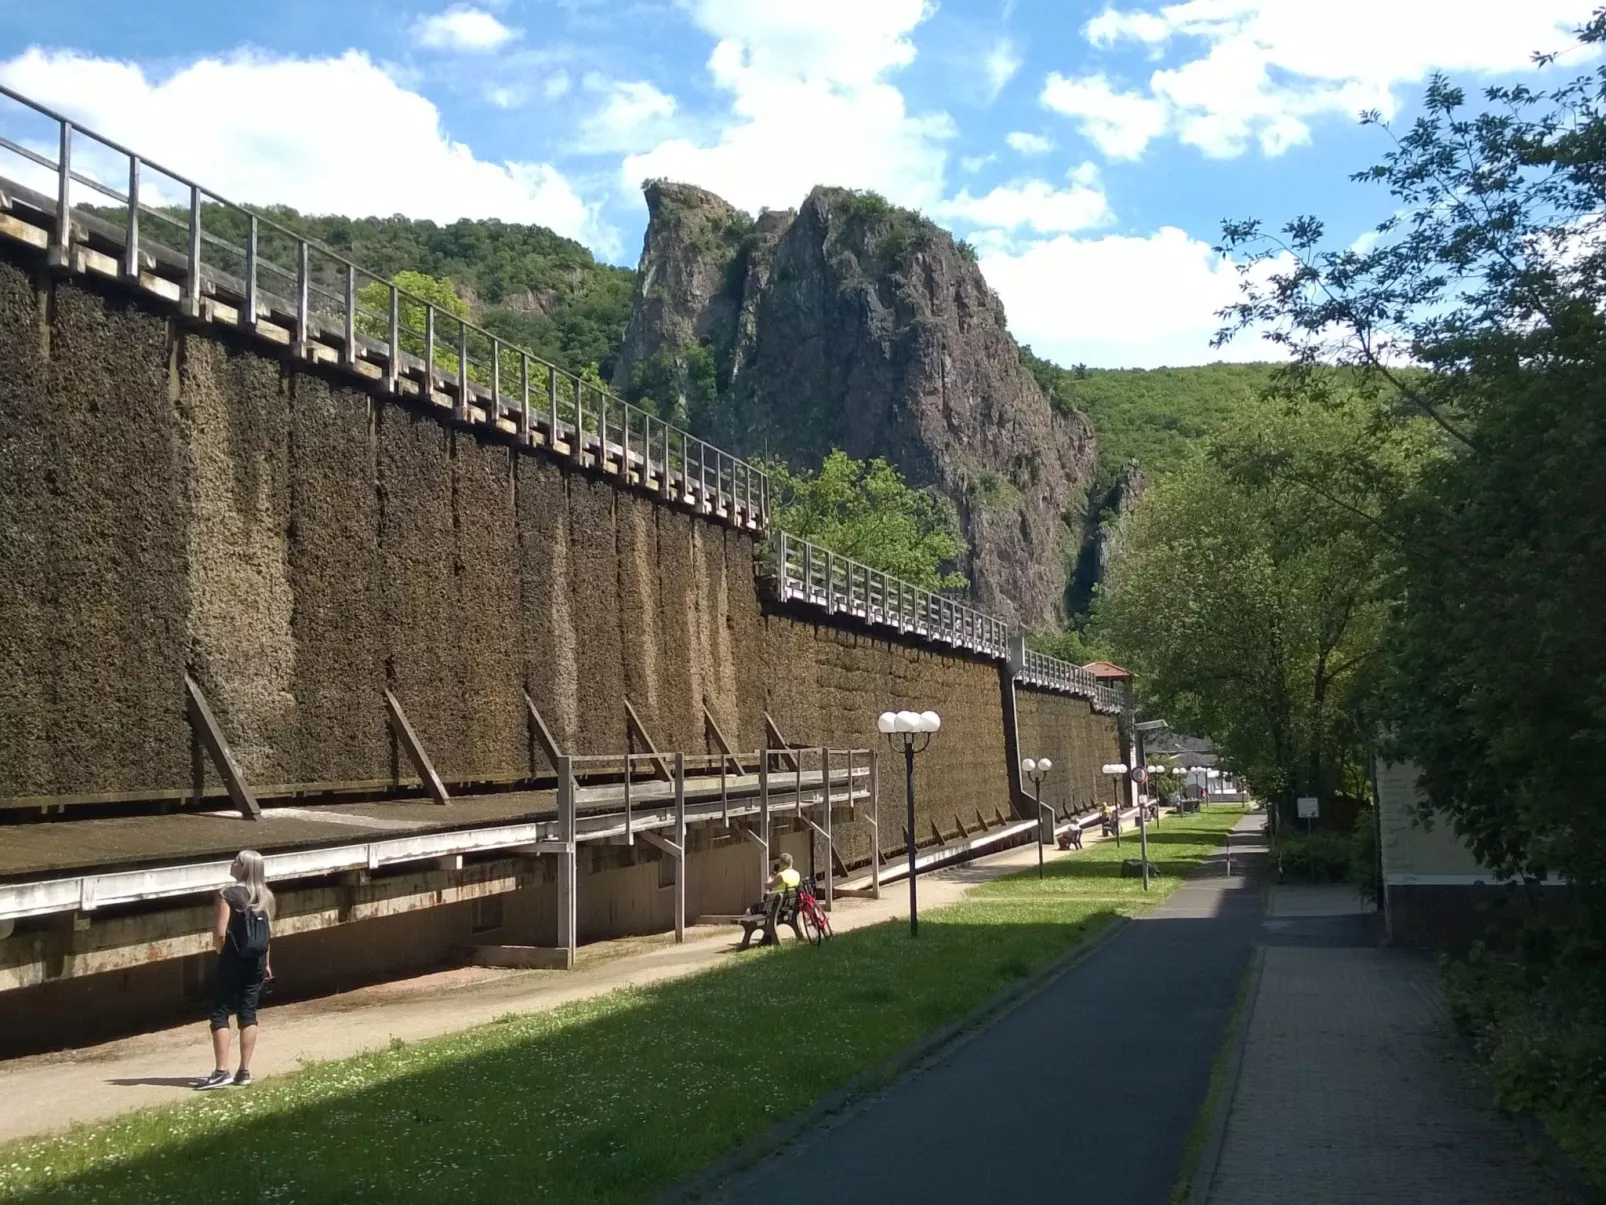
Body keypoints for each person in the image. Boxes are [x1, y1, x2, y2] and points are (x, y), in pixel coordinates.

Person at [197, 850, 274, 1090]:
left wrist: (220, 952)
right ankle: (244, 1071)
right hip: (258, 961)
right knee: (248, 1013)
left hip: (233, 959)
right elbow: (267, 935)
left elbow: (221, 932)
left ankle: (221, 1071)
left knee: (220, 1012)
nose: (232, 862)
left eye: (237, 861)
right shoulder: (265, 896)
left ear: (244, 868)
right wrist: (267, 963)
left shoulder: (227, 894)